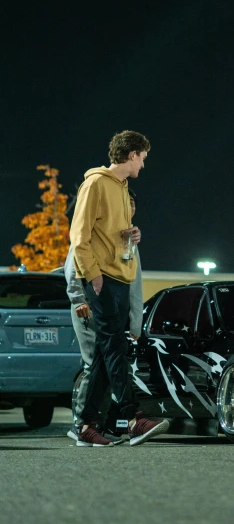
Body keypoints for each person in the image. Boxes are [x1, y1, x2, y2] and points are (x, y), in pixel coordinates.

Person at [70, 130, 169, 447]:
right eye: (142, 157)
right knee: (115, 347)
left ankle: (85, 424)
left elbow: (111, 234)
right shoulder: (95, 184)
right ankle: (133, 417)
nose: (143, 164)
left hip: (121, 278)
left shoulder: (123, 188)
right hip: (103, 280)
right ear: (131, 155)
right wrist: (94, 276)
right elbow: (79, 237)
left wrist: (131, 235)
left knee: (105, 351)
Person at [64, 188, 144, 443]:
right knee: (94, 364)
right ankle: (84, 424)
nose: (128, 208)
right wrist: (78, 298)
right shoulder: (98, 230)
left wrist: (135, 322)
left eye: (131, 203)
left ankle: (94, 424)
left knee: (106, 363)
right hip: (91, 307)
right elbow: (75, 261)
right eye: (124, 203)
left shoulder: (129, 238)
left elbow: (134, 285)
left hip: (113, 310)